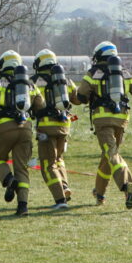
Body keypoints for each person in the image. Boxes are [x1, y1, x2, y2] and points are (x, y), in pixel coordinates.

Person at [73, 41, 132, 210]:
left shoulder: (93, 73)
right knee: (107, 156)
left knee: (112, 154)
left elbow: (82, 96)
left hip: (102, 120)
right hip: (121, 120)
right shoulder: (126, 73)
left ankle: (127, 185)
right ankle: (99, 194)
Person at [0, 50, 40, 216]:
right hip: (25, 128)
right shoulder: (30, 84)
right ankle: (23, 206)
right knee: (22, 168)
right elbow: (40, 107)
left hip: (4, 128)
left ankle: (8, 179)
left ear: (2, 64)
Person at [31, 49, 78, 210]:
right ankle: (64, 186)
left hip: (46, 127)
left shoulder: (34, 81)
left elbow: (28, 103)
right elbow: (77, 99)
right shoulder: (64, 79)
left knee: (47, 164)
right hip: (64, 125)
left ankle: (60, 200)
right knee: (58, 159)